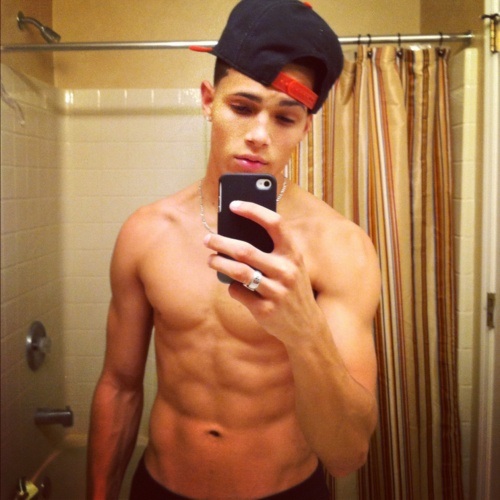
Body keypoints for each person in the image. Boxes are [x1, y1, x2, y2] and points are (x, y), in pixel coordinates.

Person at [87, 1, 381, 498]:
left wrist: (304, 330)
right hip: (160, 487)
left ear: (305, 128)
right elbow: (119, 386)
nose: (259, 136)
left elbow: (347, 454)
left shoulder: (340, 247)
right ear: (208, 101)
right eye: (242, 108)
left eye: (285, 117)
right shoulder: (146, 232)